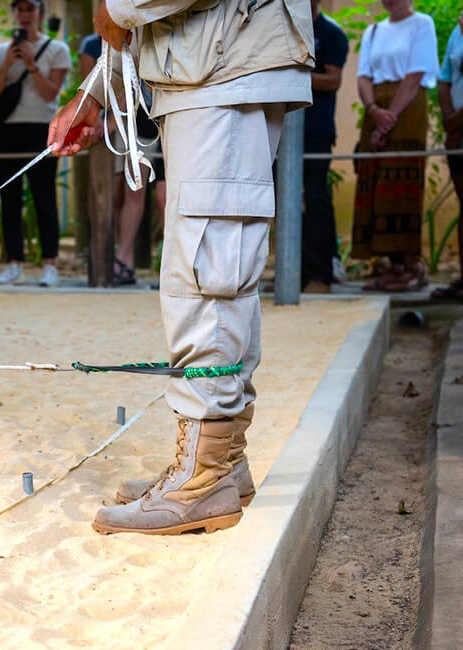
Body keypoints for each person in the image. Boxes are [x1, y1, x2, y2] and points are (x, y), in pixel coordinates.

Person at [49, 0, 313, 535]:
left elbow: (122, 11)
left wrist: (117, 7)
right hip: (211, 67)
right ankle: (222, 461)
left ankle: (201, 478)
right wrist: (95, 94)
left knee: (206, 274)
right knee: (221, 270)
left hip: (223, 70)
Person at [352, 0, 438, 292]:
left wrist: (390, 118)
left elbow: (415, 75)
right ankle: (392, 265)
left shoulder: (422, 24)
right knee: (374, 184)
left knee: (401, 183)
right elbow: (363, 76)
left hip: (408, 107)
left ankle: (412, 265)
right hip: (376, 107)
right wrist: (375, 110)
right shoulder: (374, 31)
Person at [0, 0, 69, 287]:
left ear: (40, 13)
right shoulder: (0, 52)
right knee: (9, 200)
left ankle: (50, 264)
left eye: (30, 9)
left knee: (44, 199)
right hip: (7, 131)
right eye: (19, 9)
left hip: (41, 131)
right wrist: (8, 65)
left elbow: (51, 94)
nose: (24, 15)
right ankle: (13, 263)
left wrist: (33, 65)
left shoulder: (57, 50)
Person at [78, 32, 165, 286]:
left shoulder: (142, 32)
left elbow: (134, 84)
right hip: (107, 125)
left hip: (144, 123)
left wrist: (109, 125)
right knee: (111, 194)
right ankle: (111, 256)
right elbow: (90, 90)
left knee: (135, 189)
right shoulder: (91, 44)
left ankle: (124, 259)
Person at [301, 0, 348, 294]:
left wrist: (292, 76)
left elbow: (333, 80)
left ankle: (321, 273)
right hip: (283, 129)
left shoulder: (331, 33)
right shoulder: (284, 28)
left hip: (315, 130)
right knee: (285, 202)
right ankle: (295, 271)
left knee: (316, 198)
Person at [434, 8, 463, 302]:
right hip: (456, 134)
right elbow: (445, 79)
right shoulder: (458, 29)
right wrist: (449, 119)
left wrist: (456, 120)